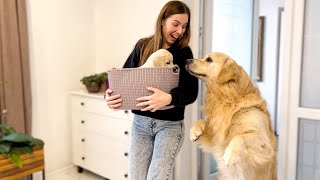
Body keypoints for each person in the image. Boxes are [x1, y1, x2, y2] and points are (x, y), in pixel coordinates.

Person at [105, 1, 198, 180]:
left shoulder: (184, 52)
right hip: (140, 124)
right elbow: (122, 79)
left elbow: (191, 92)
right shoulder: (142, 46)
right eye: (176, 24)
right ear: (162, 20)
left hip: (169, 127)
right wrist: (108, 95)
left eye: (184, 26)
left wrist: (169, 99)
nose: (180, 31)